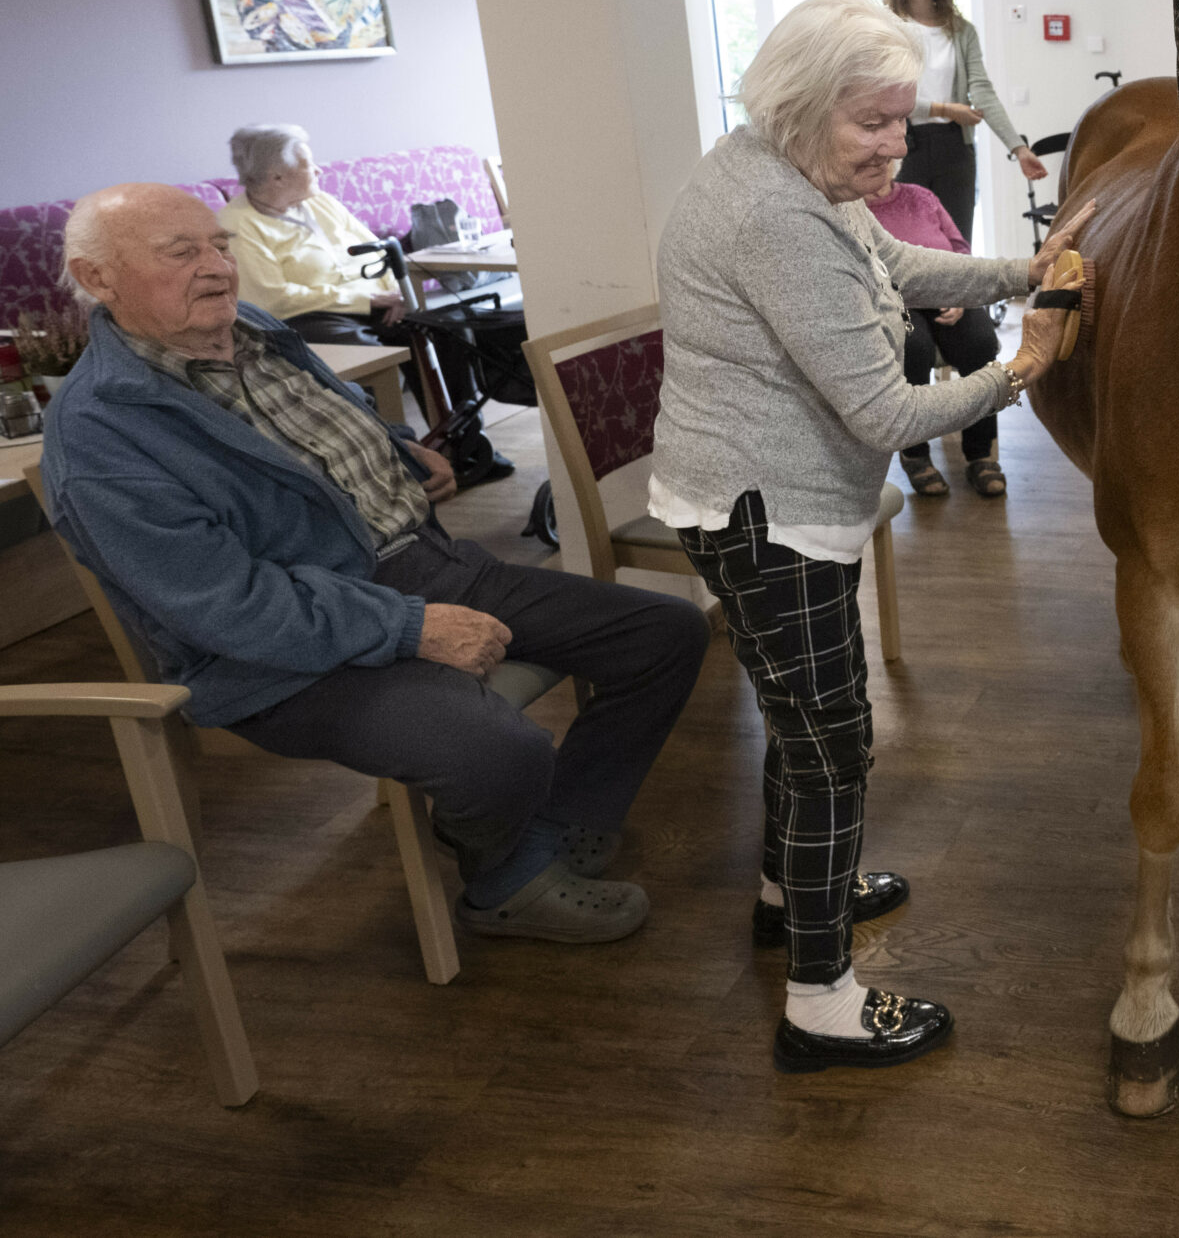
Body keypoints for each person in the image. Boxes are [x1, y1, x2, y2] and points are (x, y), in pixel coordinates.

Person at [42, 185, 705, 945]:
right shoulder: (103, 436)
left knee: (665, 634)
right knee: (494, 749)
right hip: (282, 656)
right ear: (99, 280)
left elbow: (297, 433)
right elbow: (228, 606)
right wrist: (410, 626)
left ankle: (556, 823)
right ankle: (503, 885)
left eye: (220, 244)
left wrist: (393, 448)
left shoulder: (250, 328)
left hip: (424, 562)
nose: (218, 267)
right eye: (182, 252)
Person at [650, 0, 1093, 1074]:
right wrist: (1025, 363)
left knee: (801, 726)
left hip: (764, 501)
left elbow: (892, 268)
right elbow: (890, 416)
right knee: (832, 746)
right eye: (874, 122)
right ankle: (820, 1001)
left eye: (903, 119)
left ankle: (782, 893)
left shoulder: (781, 162)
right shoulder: (774, 215)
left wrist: (1018, 271)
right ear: (803, 107)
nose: (898, 145)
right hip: (772, 517)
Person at [880, 0, 1043, 246]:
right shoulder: (889, 30)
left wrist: (1018, 149)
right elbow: (887, 95)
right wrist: (944, 109)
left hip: (955, 148)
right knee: (906, 246)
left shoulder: (962, 31)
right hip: (903, 147)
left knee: (956, 243)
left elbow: (982, 92)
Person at [862, 174, 1007, 498]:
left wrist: (959, 293)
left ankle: (981, 453)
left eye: (884, 160)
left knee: (981, 344)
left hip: (947, 291)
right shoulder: (854, 208)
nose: (877, 168)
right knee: (913, 347)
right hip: (896, 300)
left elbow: (959, 247)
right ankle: (915, 454)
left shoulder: (922, 196)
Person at [215, 124, 406, 345]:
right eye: (308, 164)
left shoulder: (320, 201)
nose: (319, 170)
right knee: (368, 347)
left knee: (439, 325)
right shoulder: (237, 224)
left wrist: (399, 293)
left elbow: (380, 249)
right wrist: (366, 300)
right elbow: (272, 298)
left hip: (379, 302)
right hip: (312, 316)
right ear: (277, 178)